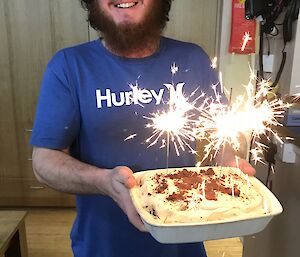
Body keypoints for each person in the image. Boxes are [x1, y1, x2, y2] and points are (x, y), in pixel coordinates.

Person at [30, 0, 256, 257]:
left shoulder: (194, 58)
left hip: (184, 246)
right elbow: (44, 161)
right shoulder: (69, 66)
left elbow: (223, 133)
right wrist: (105, 182)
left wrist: (228, 159)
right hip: (102, 248)